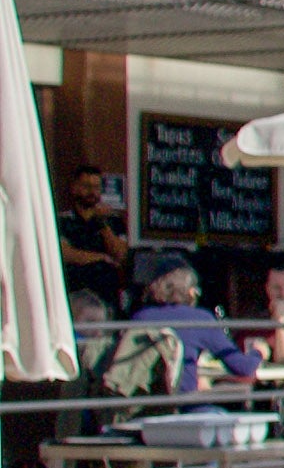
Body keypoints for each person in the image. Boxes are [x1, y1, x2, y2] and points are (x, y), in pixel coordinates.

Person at [129, 261, 264, 396]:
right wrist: (258, 352)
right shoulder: (200, 319)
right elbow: (244, 368)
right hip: (183, 405)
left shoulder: (140, 317)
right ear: (192, 292)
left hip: (143, 405)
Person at [56, 169, 128, 319]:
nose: (92, 192)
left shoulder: (113, 221)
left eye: (96, 187)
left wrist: (102, 223)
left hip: (107, 295)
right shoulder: (63, 221)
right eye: (86, 186)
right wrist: (101, 257)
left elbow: (121, 255)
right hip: (75, 292)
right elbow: (65, 254)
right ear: (74, 188)